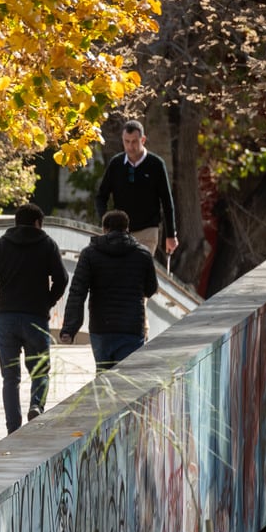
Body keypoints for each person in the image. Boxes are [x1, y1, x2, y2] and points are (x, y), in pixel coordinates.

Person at [0, 203, 68, 434]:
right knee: (40, 370)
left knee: (10, 378)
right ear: (37, 223)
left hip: (6, 319)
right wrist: (47, 302)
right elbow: (62, 279)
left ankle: (13, 428)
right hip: (35, 317)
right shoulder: (47, 244)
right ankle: (36, 405)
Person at [59, 210, 159, 372]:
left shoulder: (89, 254)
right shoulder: (142, 254)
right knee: (128, 383)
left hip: (101, 328)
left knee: (103, 380)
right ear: (127, 228)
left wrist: (70, 329)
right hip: (131, 328)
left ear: (104, 229)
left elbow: (77, 292)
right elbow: (151, 289)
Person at [95, 119, 178, 260]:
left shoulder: (156, 164)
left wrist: (171, 235)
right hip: (120, 232)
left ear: (143, 140)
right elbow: (101, 196)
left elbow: (167, 201)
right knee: (124, 273)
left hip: (148, 231)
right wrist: (106, 223)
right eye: (126, 141)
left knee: (138, 270)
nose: (130, 146)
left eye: (134, 141)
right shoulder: (116, 164)